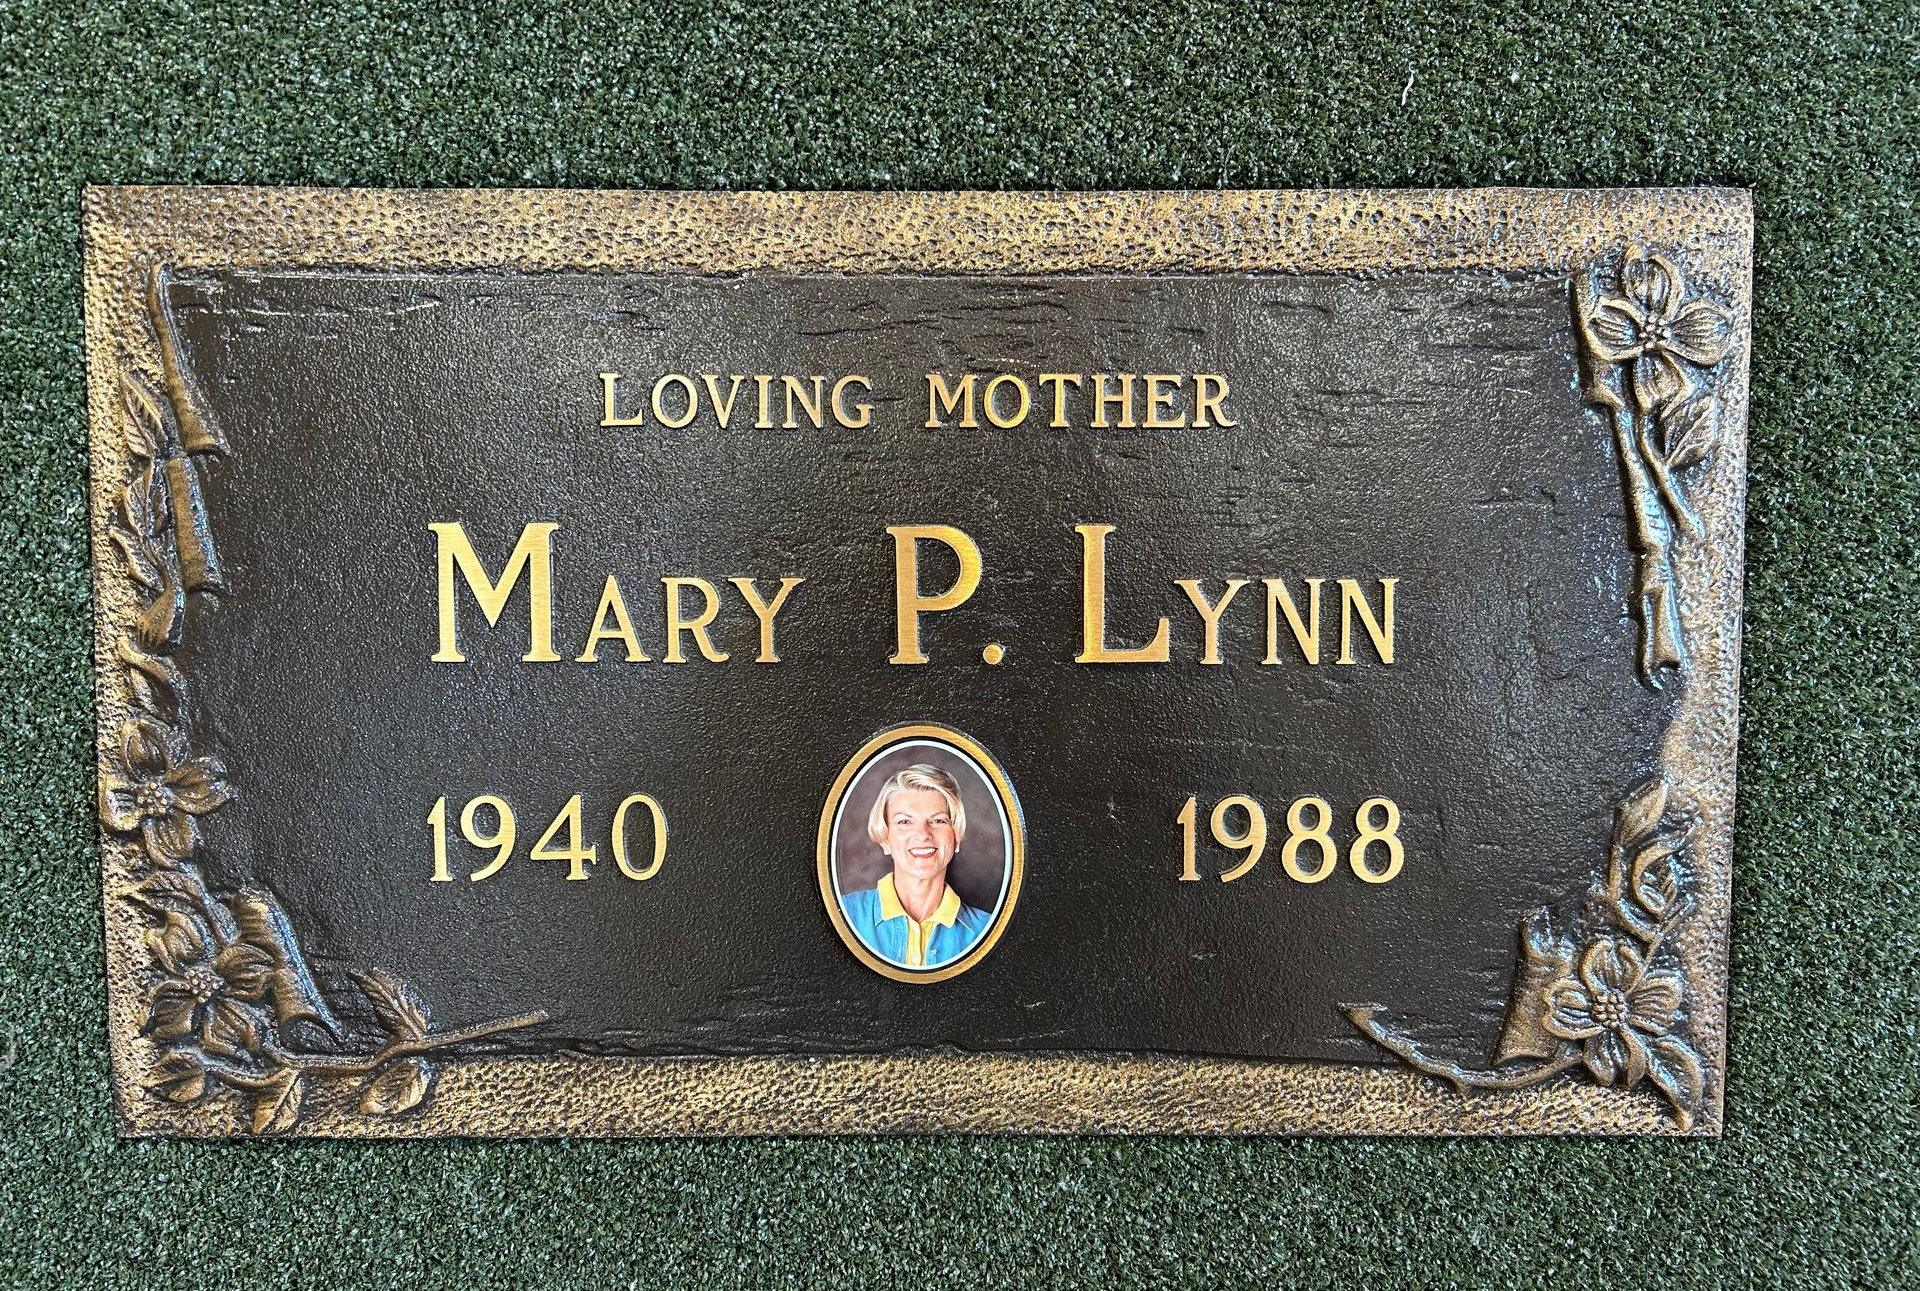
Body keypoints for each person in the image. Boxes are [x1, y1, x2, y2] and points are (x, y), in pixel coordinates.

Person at [840, 763, 994, 969]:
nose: (923, 834)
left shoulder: (987, 930)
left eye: (938, 821)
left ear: (956, 838)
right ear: (885, 839)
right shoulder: (844, 915)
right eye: (904, 822)